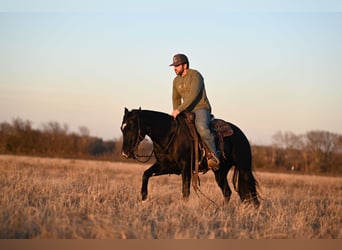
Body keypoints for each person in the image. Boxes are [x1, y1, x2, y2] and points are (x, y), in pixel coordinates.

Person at [169, 53, 220, 171]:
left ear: (185, 65)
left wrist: (179, 110)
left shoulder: (195, 76)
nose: (175, 68)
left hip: (200, 108)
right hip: (186, 110)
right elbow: (175, 98)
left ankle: (214, 156)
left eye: (177, 65)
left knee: (202, 127)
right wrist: (177, 112)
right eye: (174, 66)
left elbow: (193, 95)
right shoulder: (176, 81)